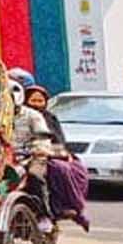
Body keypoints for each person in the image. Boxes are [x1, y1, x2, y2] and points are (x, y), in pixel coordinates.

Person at [24, 85, 91, 232]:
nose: (36, 104)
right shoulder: (19, 115)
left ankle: (71, 209)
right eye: (32, 100)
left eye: (39, 101)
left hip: (46, 153)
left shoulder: (50, 118)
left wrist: (51, 151)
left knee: (68, 169)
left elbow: (58, 141)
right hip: (20, 153)